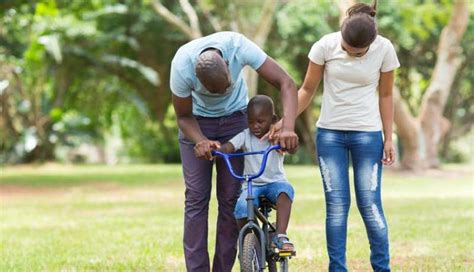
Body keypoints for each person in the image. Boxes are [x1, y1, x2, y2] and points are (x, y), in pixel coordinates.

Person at [266, 1, 399, 271]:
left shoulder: (384, 49)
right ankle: (337, 268)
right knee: (337, 208)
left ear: (370, 45)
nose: (352, 54)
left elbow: (386, 96)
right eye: (347, 50)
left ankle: (382, 268)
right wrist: (284, 122)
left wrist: (388, 137)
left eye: (358, 53)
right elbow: (306, 90)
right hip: (330, 136)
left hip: (367, 134)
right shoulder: (325, 46)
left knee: (370, 206)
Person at [169, 31, 298, 272]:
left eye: (226, 87)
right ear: (196, 79)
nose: (222, 95)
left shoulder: (238, 46)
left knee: (231, 200)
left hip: (237, 122)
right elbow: (183, 116)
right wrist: (200, 141)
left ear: (228, 64)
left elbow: (286, 82)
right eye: (214, 92)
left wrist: (288, 128)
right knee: (196, 198)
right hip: (197, 123)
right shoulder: (181, 65)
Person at [217, 95, 296, 252]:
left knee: (285, 191)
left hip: (275, 182)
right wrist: (218, 150)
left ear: (272, 119)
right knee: (240, 206)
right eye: (251, 121)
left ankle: (280, 235)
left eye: (260, 121)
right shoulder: (245, 136)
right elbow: (230, 146)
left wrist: (289, 143)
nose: (255, 126)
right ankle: (249, 241)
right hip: (252, 184)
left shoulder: (276, 136)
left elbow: (291, 148)